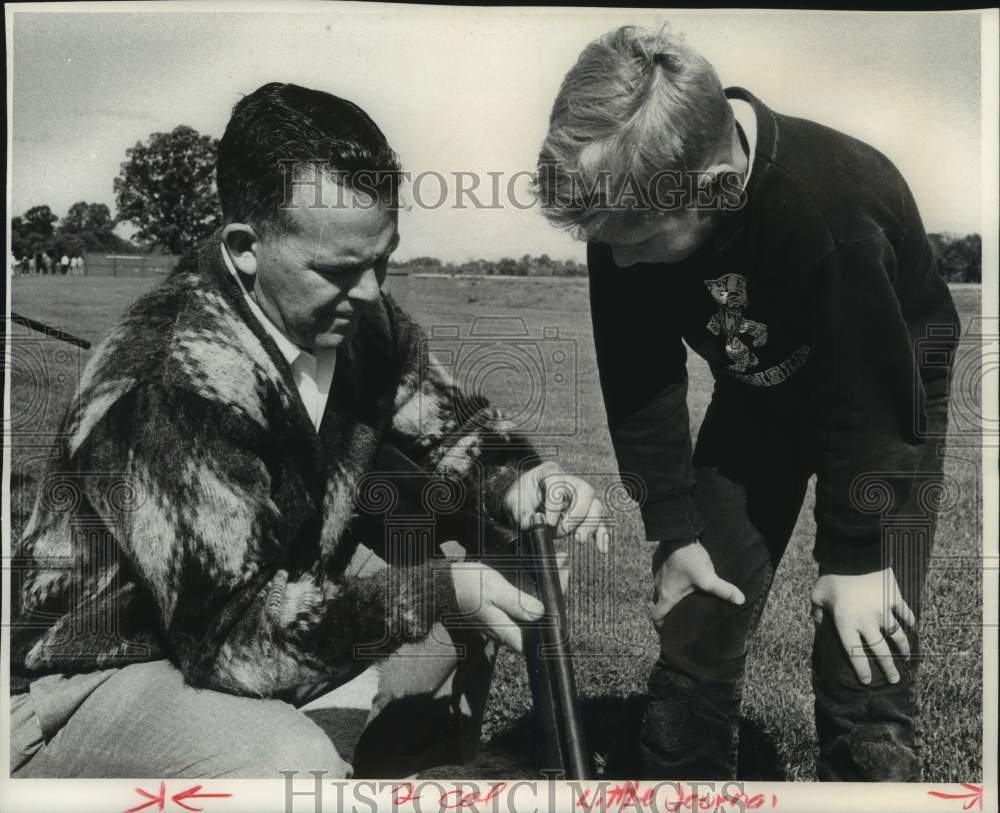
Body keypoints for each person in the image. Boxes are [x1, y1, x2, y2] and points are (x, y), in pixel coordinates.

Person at [11, 81, 609, 779]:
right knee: (288, 761)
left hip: (248, 611)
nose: (368, 292)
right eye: (336, 269)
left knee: (476, 530)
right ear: (244, 248)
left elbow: (457, 427)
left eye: (381, 261)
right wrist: (439, 590)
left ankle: (404, 766)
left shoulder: (355, 319)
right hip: (92, 681)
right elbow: (233, 643)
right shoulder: (174, 372)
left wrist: (530, 480)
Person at [536, 25, 959, 781]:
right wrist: (673, 527)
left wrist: (858, 557)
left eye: (634, 243)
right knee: (700, 606)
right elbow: (639, 376)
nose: (620, 260)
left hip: (888, 399)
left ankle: (868, 770)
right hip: (758, 390)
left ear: (717, 192)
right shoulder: (626, 211)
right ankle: (682, 778)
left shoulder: (832, 207)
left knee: (865, 632)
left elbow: (870, 394)